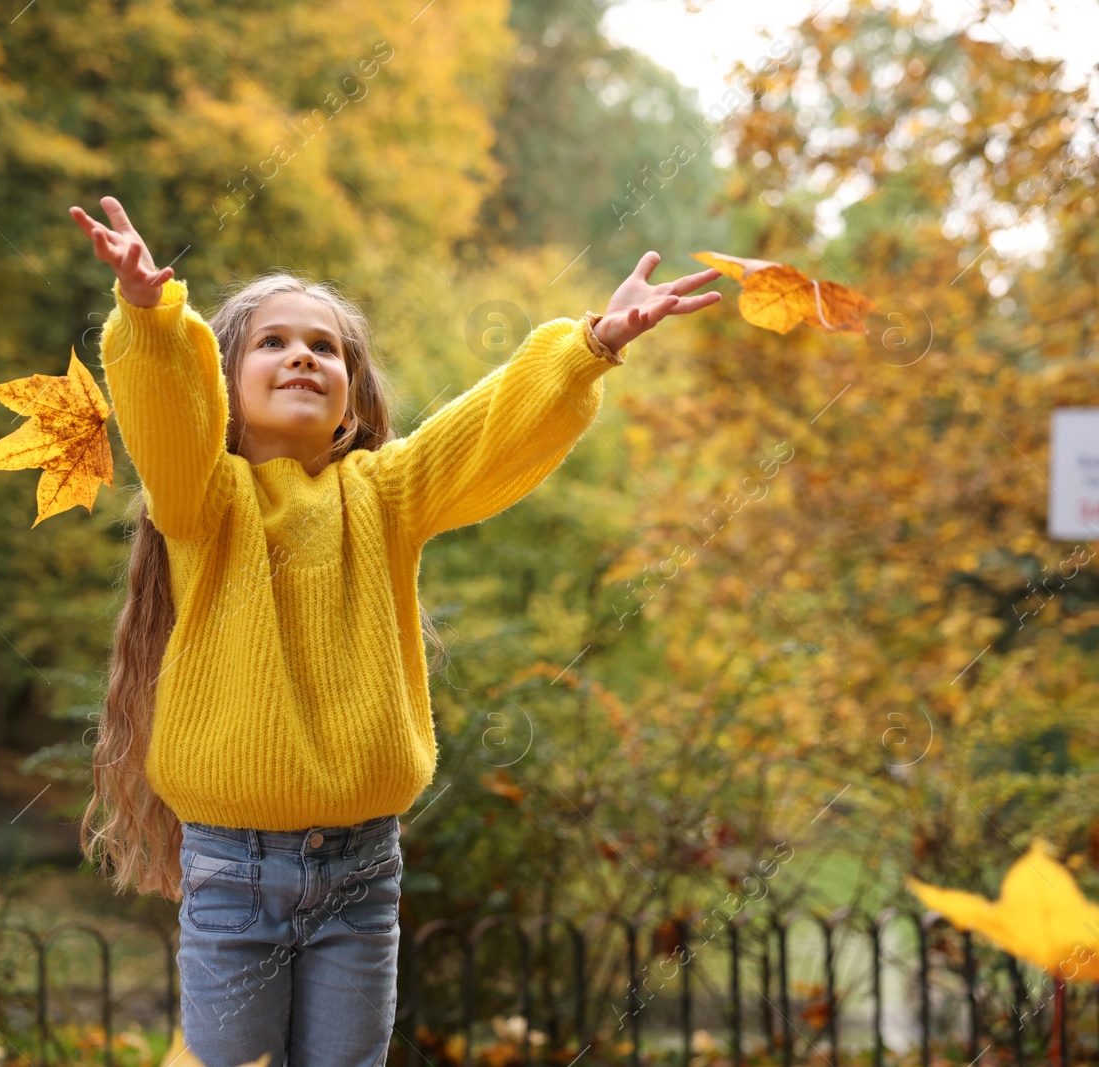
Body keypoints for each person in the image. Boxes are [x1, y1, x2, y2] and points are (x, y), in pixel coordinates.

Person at [70, 194, 721, 1066]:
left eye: (325, 347)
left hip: (363, 875)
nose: (303, 353)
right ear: (222, 388)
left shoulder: (387, 493)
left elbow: (486, 431)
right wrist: (151, 322)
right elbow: (168, 429)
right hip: (231, 873)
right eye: (273, 340)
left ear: (350, 401)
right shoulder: (203, 500)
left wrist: (591, 345)